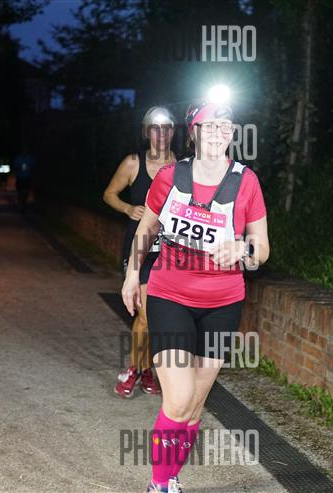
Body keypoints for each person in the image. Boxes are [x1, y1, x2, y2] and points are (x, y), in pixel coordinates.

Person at [121, 100, 270, 493]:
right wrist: (133, 274)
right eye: (211, 125)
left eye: (226, 126)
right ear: (195, 132)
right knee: (179, 397)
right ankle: (158, 484)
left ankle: (171, 476)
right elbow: (147, 229)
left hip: (223, 303)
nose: (219, 132)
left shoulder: (246, 181)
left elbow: (262, 249)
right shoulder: (170, 176)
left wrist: (242, 249)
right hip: (170, 295)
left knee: (194, 404)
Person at [104, 106, 177, 398]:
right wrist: (127, 208)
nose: (161, 134)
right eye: (155, 128)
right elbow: (109, 194)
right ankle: (135, 369)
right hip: (140, 249)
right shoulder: (133, 163)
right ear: (147, 132)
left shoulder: (182, 166)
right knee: (146, 315)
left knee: (156, 318)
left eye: (167, 128)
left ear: (173, 132)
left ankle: (146, 369)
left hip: (169, 250)